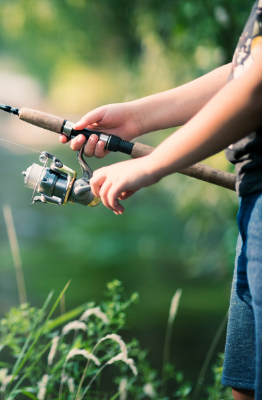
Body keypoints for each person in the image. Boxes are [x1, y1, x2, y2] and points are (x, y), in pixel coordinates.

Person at [59, 2, 262, 399]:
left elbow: (256, 88)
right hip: (252, 200)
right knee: (246, 387)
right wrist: (136, 118)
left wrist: (152, 165)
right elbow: (247, 68)